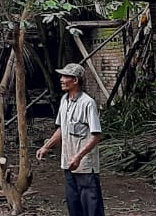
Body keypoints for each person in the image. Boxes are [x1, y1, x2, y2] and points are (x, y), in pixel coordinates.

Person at [37, 62, 105, 216]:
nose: (61, 79)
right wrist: (47, 146)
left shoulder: (88, 103)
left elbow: (96, 136)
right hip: (68, 163)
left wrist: (79, 156)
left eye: (65, 76)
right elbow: (62, 128)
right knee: (74, 206)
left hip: (85, 167)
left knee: (91, 209)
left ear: (75, 80)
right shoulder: (64, 101)